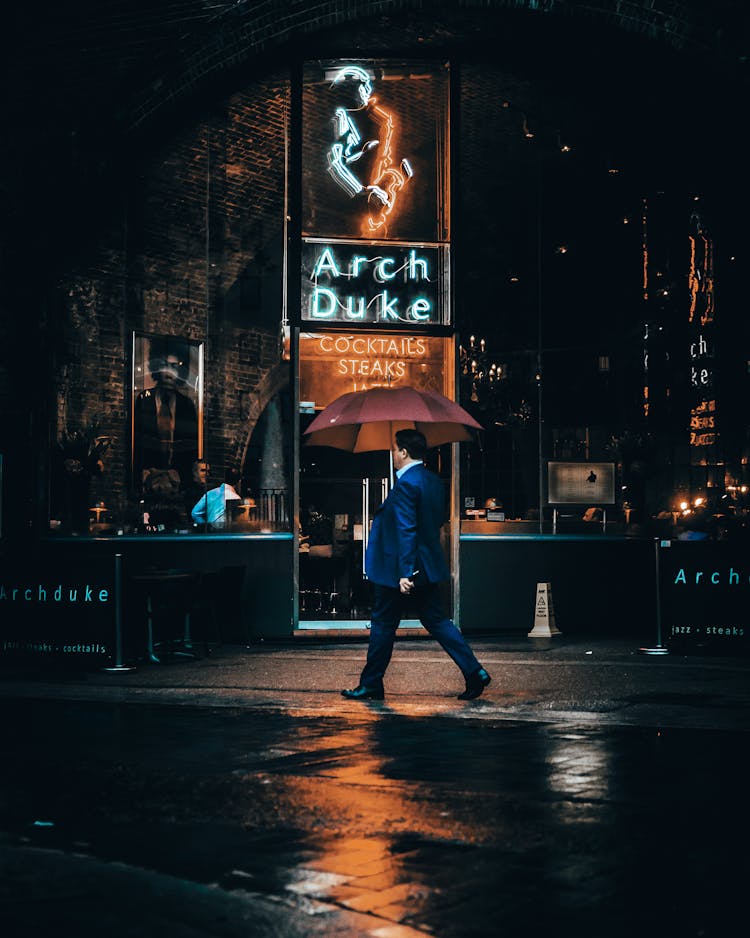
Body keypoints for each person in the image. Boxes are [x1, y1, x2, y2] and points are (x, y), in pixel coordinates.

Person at [342, 429, 491, 701]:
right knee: (436, 620)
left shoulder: (406, 485)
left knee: (383, 623)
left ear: (403, 452)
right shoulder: (433, 481)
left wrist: (405, 572)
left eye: (394, 449)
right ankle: (474, 671)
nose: (392, 454)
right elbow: (431, 524)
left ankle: (372, 683)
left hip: (398, 570)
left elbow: (406, 530)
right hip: (425, 565)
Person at [133, 338, 199, 489]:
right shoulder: (144, 399)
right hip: (148, 478)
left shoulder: (187, 405)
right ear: (156, 367)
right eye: (165, 366)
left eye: (175, 367)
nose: (169, 374)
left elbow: (191, 446)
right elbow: (136, 440)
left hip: (178, 480)